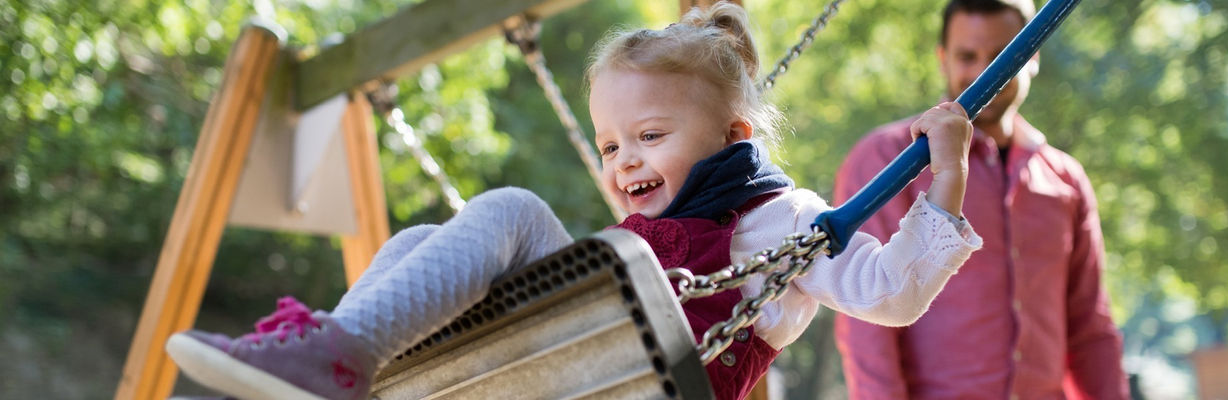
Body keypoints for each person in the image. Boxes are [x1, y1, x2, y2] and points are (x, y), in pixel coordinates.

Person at [165, 3, 982, 400]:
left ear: (734, 134)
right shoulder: (661, 221)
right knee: (417, 237)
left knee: (517, 210)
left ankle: (333, 357)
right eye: (612, 145)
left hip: (647, 379)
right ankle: (339, 357)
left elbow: (893, 293)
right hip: (583, 359)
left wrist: (945, 174)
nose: (625, 160)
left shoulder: (784, 217)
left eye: (651, 136)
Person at [831, 0, 1129, 399]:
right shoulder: (887, 160)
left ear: (1032, 57)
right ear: (943, 59)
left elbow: (1090, 327)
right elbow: (867, 324)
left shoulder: (1066, 179)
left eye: (1003, 57)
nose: (984, 74)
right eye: (967, 56)